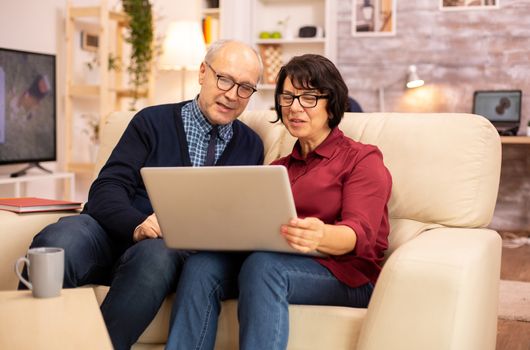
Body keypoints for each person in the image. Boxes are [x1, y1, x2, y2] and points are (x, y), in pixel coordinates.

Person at [19, 39, 264, 350]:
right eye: (224, 79)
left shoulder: (251, 146)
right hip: (109, 233)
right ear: (203, 72)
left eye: (245, 88)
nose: (232, 94)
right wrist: (138, 225)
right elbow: (106, 190)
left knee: (157, 255)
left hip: (163, 255)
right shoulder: (152, 122)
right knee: (59, 240)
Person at [165, 54, 392, 349]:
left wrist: (320, 235)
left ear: (331, 102)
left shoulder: (362, 158)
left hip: (348, 274)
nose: (295, 108)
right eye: (287, 97)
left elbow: (359, 235)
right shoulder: (277, 169)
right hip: (277, 261)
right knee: (202, 266)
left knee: (263, 266)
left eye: (308, 97)